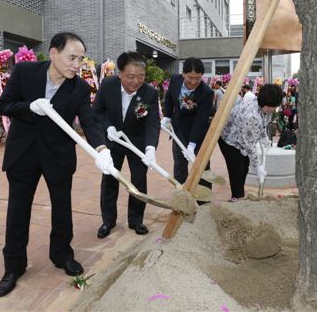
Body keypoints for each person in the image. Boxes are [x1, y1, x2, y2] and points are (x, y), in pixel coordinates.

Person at [0, 32, 113, 297]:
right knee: (18, 210)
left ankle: (62, 254)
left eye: (81, 59)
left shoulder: (80, 88)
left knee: (62, 207)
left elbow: (89, 121)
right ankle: (13, 266)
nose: (77, 64)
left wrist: (101, 148)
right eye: (72, 57)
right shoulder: (25, 72)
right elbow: (5, 104)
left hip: (57, 156)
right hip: (23, 154)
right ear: (54, 53)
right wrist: (29, 107)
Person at [93, 51, 160, 238]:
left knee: (138, 181)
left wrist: (150, 148)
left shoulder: (150, 93)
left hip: (136, 142)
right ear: (120, 73)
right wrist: (108, 127)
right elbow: (97, 112)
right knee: (110, 180)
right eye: (131, 76)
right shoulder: (108, 85)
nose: (136, 81)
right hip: (112, 141)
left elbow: (152, 122)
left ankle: (136, 220)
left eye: (141, 76)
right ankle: (108, 220)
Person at [219, 84, 284, 199]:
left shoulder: (262, 107)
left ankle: (238, 195)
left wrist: (264, 138)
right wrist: (258, 166)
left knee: (244, 167)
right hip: (230, 140)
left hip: (241, 139)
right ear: (266, 105)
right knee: (237, 171)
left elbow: (262, 124)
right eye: (273, 107)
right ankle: (237, 199)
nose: (274, 109)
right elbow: (250, 145)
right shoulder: (252, 116)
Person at [162, 58, 214, 193]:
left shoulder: (206, 92)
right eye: (190, 77)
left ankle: (204, 200)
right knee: (179, 165)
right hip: (179, 129)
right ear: (183, 74)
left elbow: (201, 120)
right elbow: (168, 98)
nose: (194, 81)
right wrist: (167, 116)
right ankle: (181, 196)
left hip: (198, 133)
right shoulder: (175, 80)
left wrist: (192, 144)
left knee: (202, 166)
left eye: (198, 78)